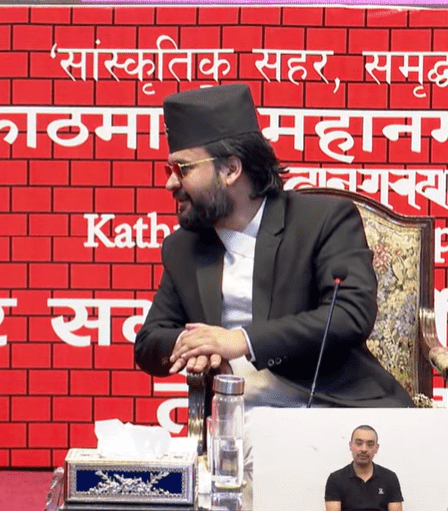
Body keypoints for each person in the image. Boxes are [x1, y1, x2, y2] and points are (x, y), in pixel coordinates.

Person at [133, 83, 412, 408]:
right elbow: (149, 342)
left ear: (231, 170)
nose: (170, 183)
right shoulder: (184, 247)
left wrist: (241, 341)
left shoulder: (322, 220)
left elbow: (349, 315)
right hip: (237, 418)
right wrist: (196, 343)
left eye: (183, 169)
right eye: (169, 170)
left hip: (334, 407)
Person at [324, 425, 403, 511]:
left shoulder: (389, 478)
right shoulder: (336, 479)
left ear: (376, 448)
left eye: (370, 444)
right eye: (359, 443)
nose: (364, 449)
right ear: (350, 446)